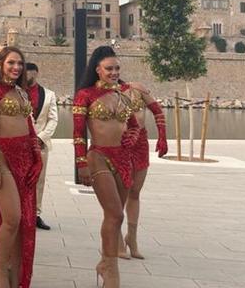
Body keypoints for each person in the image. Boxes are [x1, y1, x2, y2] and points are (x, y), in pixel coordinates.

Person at [73, 46, 141, 288]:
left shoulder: (124, 96)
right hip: (99, 156)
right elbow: (78, 133)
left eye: (117, 68)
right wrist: (81, 163)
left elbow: (135, 125)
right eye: (109, 68)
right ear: (97, 70)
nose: (114, 72)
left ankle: (105, 262)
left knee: (114, 217)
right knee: (115, 213)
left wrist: (131, 139)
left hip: (124, 159)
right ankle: (111, 271)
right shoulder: (85, 96)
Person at [0, 47, 42, 288]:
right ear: (1, 64)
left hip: (26, 159)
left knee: (26, 222)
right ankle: (1, 271)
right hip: (2, 158)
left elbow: (30, 127)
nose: (16, 67)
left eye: (20, 63)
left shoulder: (22, 92)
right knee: (13, 218)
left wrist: (38, 157)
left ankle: (17, 275)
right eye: (11, 63)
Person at [120, 80, 168, 259]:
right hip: (119, 143)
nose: (113, 71)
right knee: (119, 193)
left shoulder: (136, 87)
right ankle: (117, 239)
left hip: (140, 143)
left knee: (135, 191)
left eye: (116, 67)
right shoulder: (101, 91)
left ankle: (131, 238)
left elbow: (157, 110)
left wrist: (162, 136)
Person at [24, 63, 58, 231]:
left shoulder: (49, 95)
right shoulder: (15, 93)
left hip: (40, 144)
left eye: (29, 73)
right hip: (20, 143)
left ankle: (35, 213)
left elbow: (53, 119)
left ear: (36, 73)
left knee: (39, 180)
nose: (27, 75)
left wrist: (40, 138)